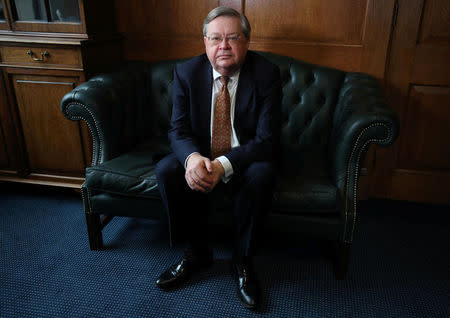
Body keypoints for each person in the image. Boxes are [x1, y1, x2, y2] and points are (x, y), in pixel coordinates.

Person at [155, 6, 281, 310]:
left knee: (262, 173)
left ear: (247, 42)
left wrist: (223, 164)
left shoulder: (266, 74)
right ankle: (196, 252)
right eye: (215, 39)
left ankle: (243, 260)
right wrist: (193, 159)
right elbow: (178, 130)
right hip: (202, 153)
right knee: (167, 170)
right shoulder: (186, 73)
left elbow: (267, 140)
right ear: (205, 43)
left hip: (247, 157)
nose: (223, 46)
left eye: (232, 38)